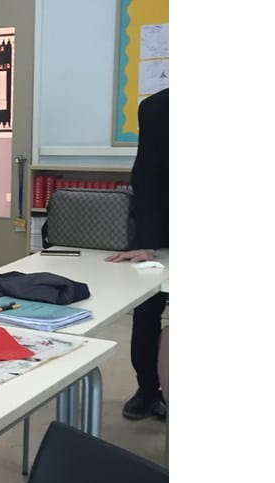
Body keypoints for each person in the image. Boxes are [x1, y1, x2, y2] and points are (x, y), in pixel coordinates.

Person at [105, 87, 169, 420]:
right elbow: (147, 175)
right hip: (163, 228)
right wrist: (145, 239)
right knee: (147, 309)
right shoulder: (157, 108)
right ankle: (148, 389)